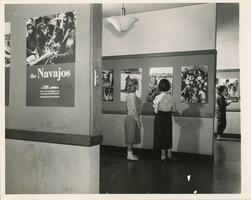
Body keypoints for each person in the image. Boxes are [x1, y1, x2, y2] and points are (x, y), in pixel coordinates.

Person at [153, 79, 176, 161]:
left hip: (159, 117)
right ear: (168, 87)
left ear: (159, 87)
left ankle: (163, 154)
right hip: (168, 117)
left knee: (161, 135)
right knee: (168, 134)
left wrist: (159, 105)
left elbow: (155, 111)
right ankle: (169, 152)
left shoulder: (157, 97)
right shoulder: (171, 97)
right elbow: (174, 110)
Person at [124, 79, 141, 161]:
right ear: (135, 85)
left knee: (131, 137)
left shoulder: (131, 95)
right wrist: (138, 121)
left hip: (131, 118)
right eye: (137, 84)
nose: (138, 86)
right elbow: (134, 110)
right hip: (132, 118)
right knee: (130, 137)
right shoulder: (132, 95)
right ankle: (129, 155)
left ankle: (130, 154)